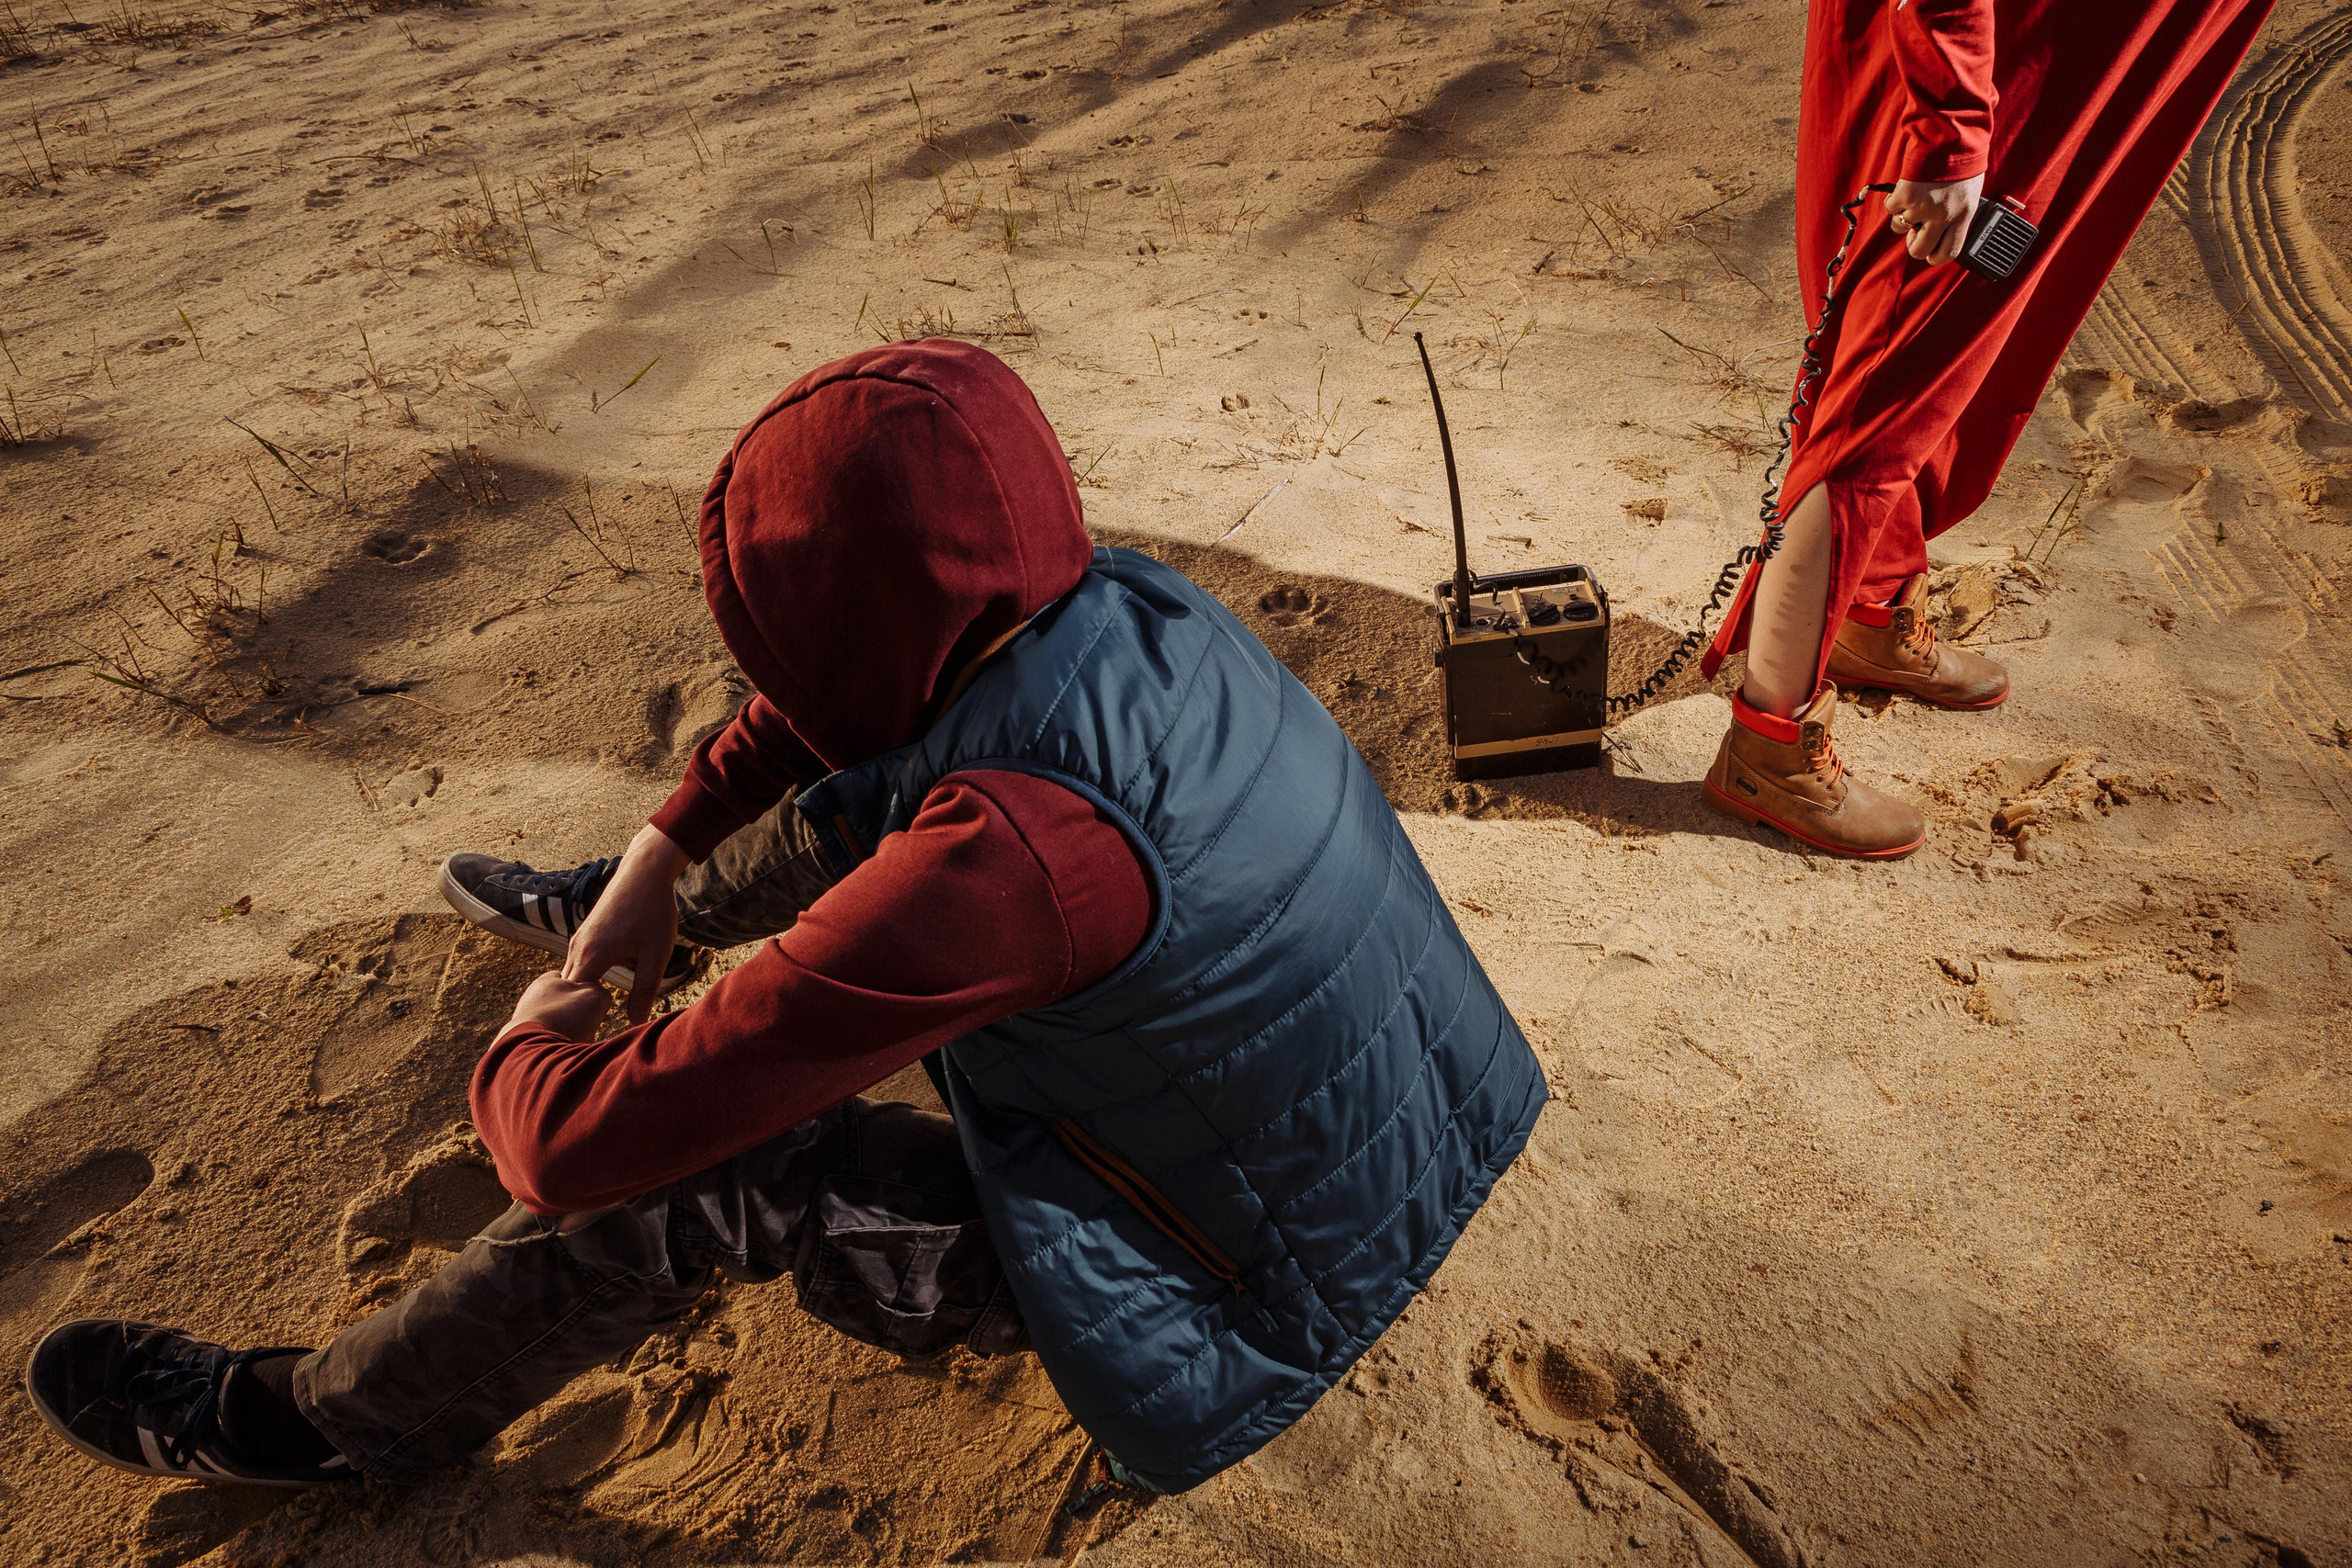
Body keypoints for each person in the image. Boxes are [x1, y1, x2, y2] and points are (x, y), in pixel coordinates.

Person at [27, 341, 1547, 1499]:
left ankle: (308, 1428)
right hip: (1411, 1113)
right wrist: (655, 861)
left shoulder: (1008, 860)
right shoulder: (1126, 599)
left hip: (1250, 1270)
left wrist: (527, 1044)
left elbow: (574, 1146)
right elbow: (829, 709)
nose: (780, 681)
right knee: (871, 776)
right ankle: (657, 924)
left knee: (699, 1172)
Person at [1701, 0, 2274, 858]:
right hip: (1990, 71)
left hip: (2036, 71)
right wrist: (1953, 119)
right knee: (1886, 389)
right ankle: (1768, 747)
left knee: (1921, 364)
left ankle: (1870, 609)